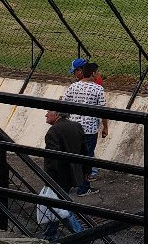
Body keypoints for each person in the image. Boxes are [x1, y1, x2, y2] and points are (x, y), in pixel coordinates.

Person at [62, 58, 108, 196]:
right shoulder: (98, 88)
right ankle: (84, 187)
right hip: (89, 129)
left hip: (73, 127)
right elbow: (103, 111)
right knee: (87, 159)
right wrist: (105, 127)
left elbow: (64, 105)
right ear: (93, 74)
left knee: (72, 156)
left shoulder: (73, 86)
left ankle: (67, 185)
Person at [42, 110, 85, 239]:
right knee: (57, 204)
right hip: (73, 174)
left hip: (58, 176)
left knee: (57, 206)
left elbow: (52, 158)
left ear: (56, 115)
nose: (45, 115)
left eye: (48, 112)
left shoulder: (53, 131)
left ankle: (80, 234)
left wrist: (49, 178)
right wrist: (87, 170)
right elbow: (84, 150)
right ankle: (50, 235)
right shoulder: (77, 126)